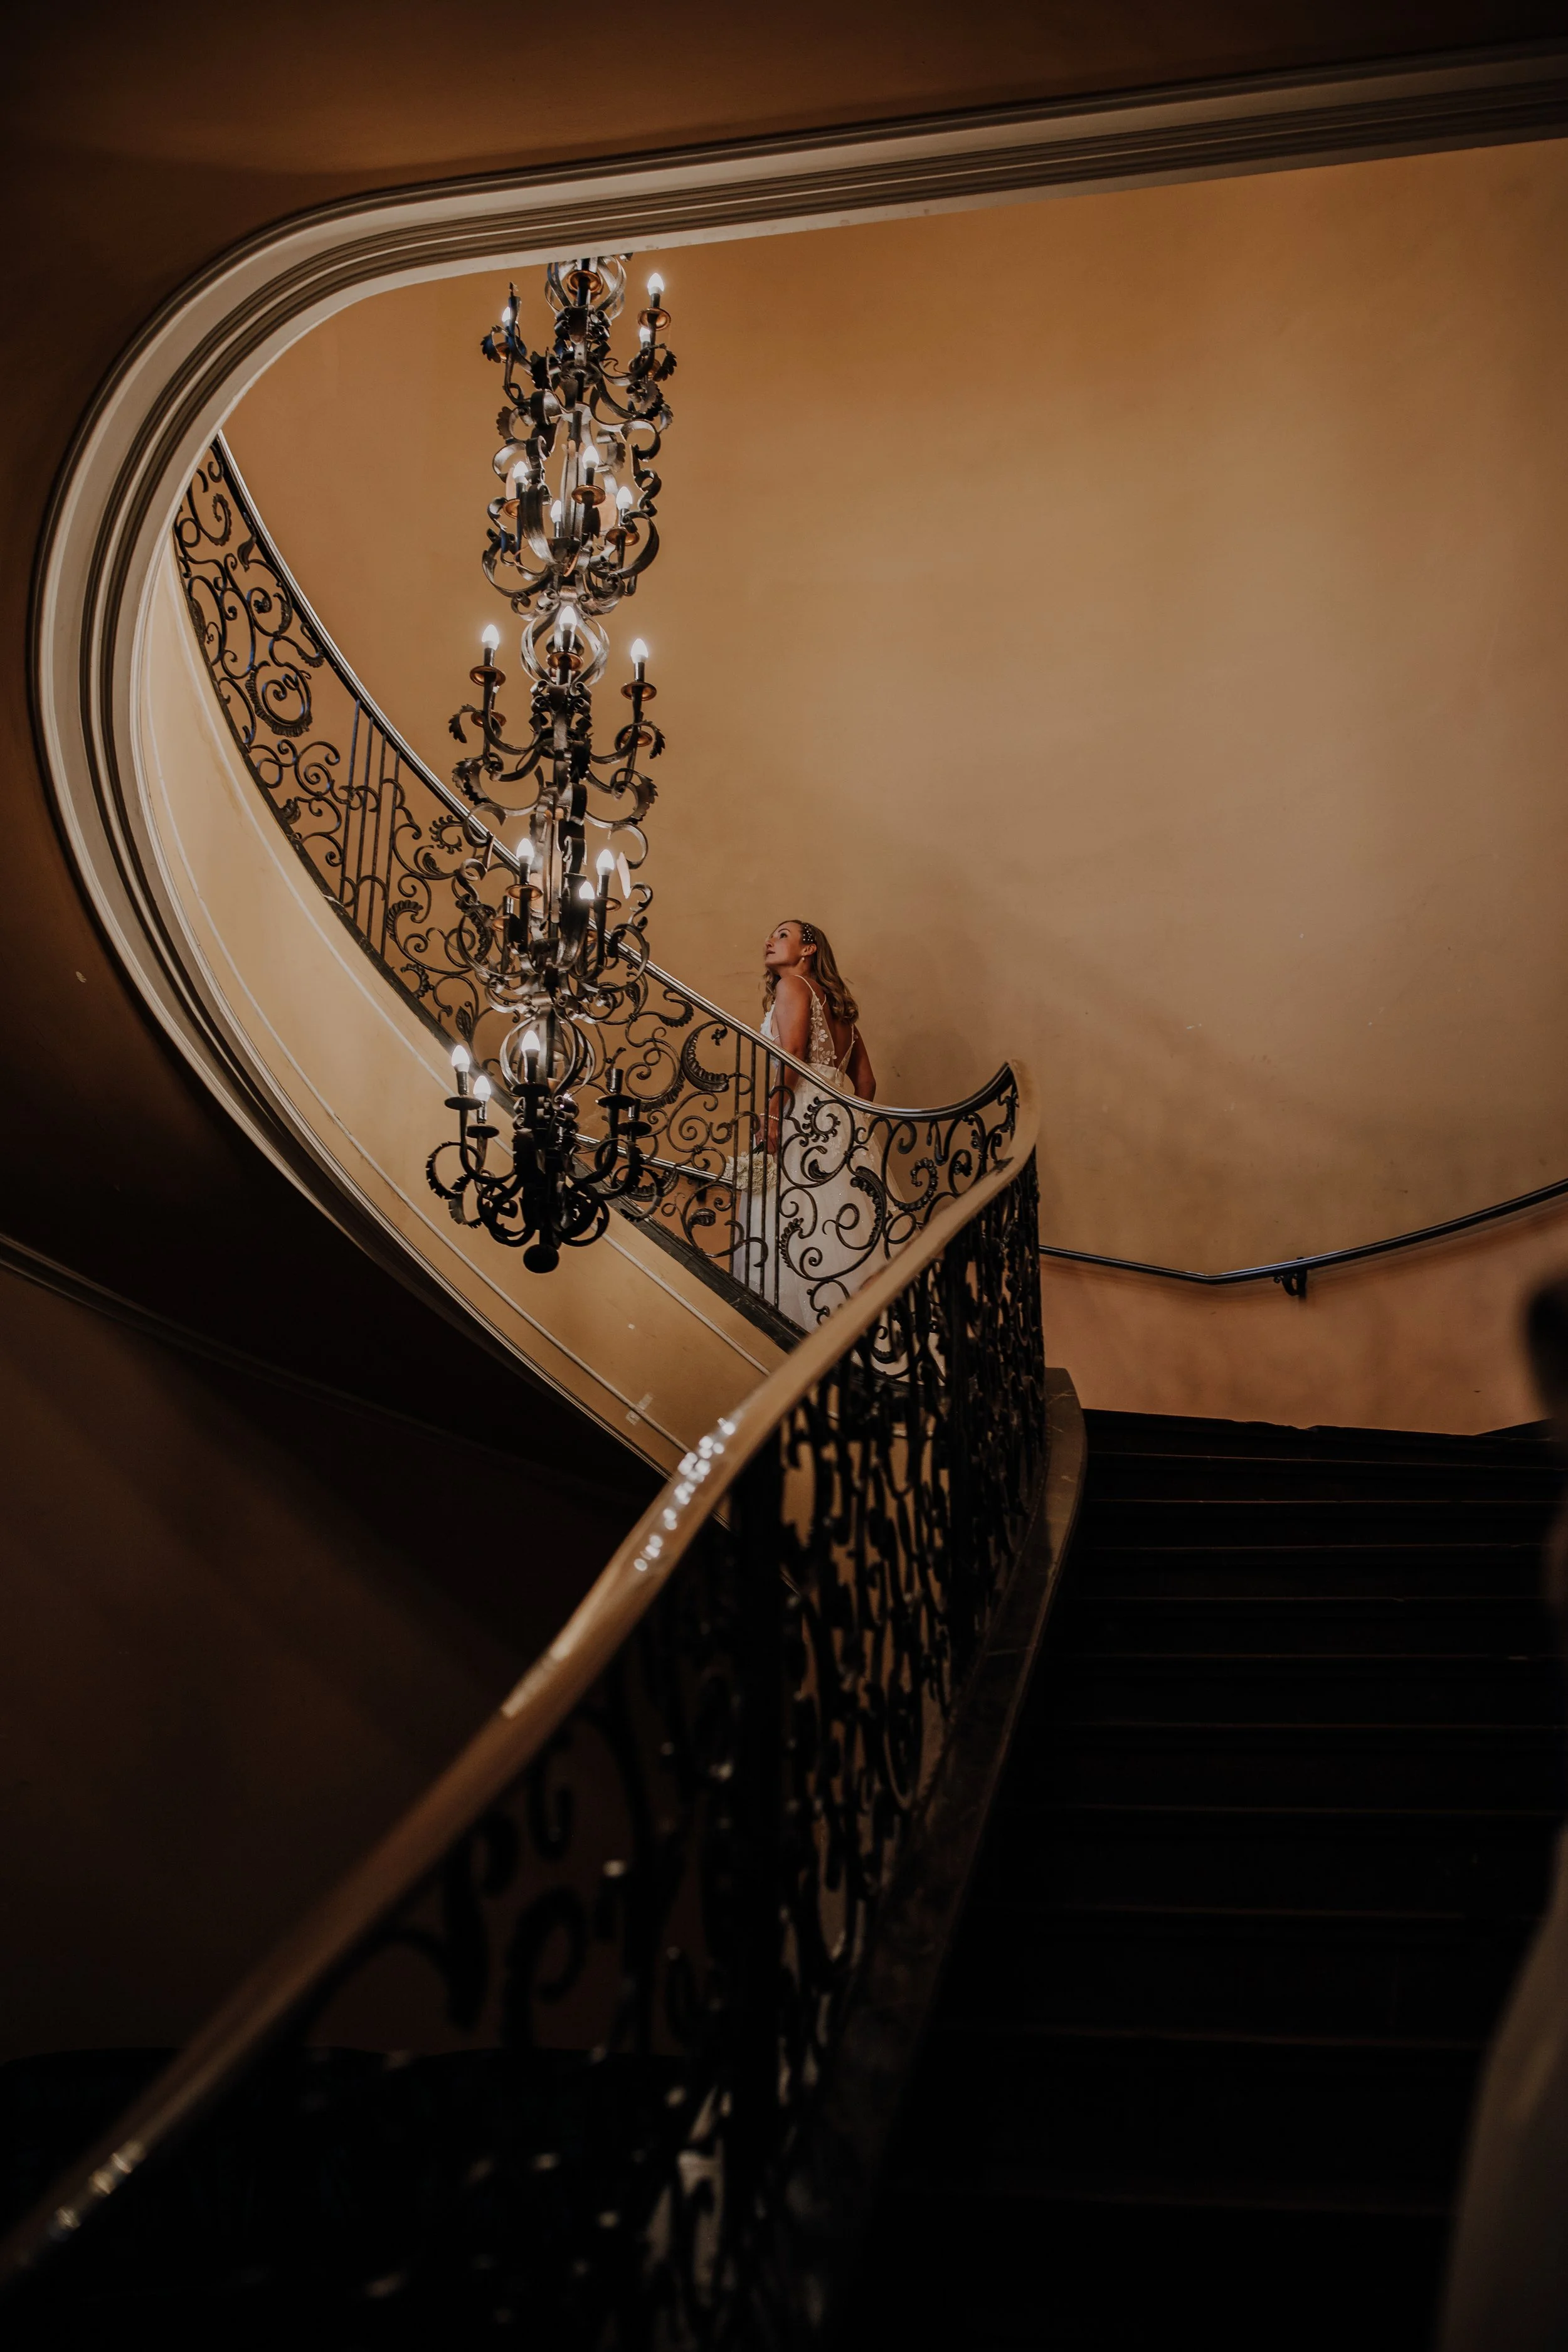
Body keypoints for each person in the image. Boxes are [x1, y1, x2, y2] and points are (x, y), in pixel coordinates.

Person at [733, 918, 877, 1330]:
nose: (769, 940)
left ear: (809, 949)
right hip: (840, 1120)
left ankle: (788, 1339)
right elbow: (866, 1082)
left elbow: (794, 1052)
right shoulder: (841, 1008)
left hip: (799, 1112)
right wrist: (853, 1129)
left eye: (782, 935)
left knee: (786, 1221)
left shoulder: (792, 986)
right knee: (842, 1225)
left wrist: (775, 1114)